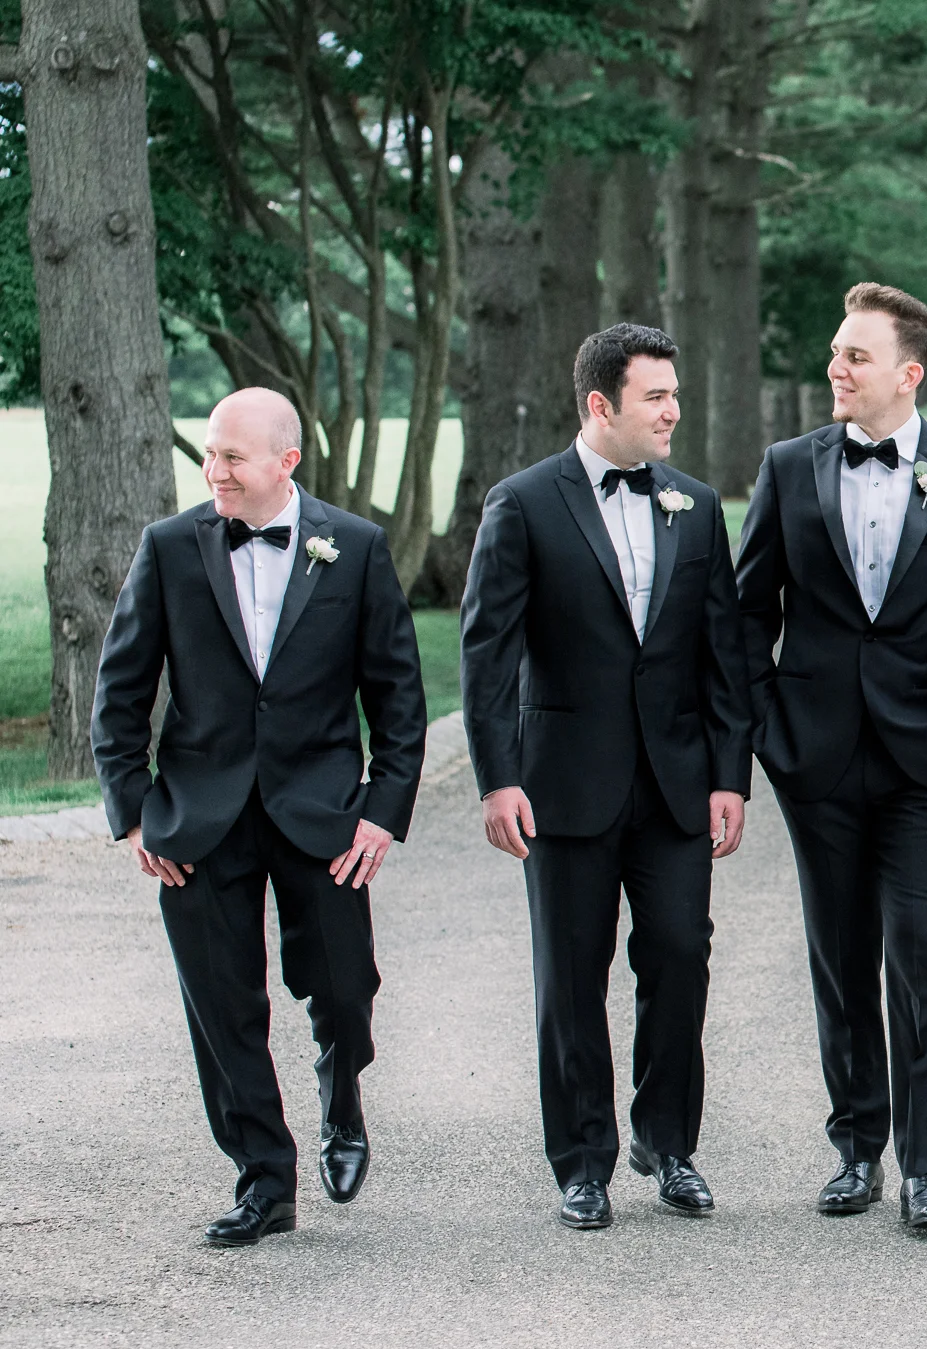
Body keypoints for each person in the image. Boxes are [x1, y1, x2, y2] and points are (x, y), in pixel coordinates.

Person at [91, 387, 426, 1246]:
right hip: (198, 818)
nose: (214, 470)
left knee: (345, 989)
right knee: (222, 1007)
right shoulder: (169, 547)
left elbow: (397, 696)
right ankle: (264, 1180)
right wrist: (133, 815)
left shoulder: (355, 547)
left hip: (321, 811)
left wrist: (382, 813)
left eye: (232, 457)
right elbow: (120, 692)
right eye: (209, 453)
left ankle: (341, 1098)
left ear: (287, 461)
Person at [459, 323, 750, 1231]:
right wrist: (497, 779)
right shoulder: (522, 504)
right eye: (655, 396)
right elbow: (485, 654)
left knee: (680, 956)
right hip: (562, 784)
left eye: (674, 394)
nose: (673, 411)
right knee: (570, 976)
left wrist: (729, 776)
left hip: (675, 785)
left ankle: (671, 1145)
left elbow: (723, 655)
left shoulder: (697, 506)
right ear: (600, 403)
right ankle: (582, 1163)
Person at [735, 284, 927, 1231]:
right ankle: (857, 1149)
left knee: (923, 952)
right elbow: (746, 614)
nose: (837, 368)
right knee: (841, 956)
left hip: (924, 761)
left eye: (856, 355)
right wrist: (768, 730)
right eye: (836, 352)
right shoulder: (787, 467)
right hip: (813, 759)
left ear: (909, 373)